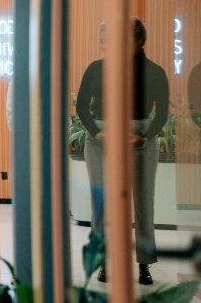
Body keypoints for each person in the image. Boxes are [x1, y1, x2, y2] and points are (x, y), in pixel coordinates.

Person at [75, 17, 169, 285]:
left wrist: (145, 138)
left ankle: (144, 264)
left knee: (143, 203)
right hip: (100, 140)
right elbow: (82, 107)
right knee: (102, 205)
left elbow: (161, 114)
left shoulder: (155, 71)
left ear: (140, 41)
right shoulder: (96, 68)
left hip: (140, 138)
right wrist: (97, 132)